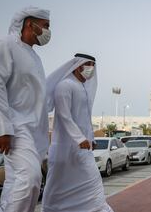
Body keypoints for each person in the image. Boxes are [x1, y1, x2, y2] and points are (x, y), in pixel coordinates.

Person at [0, 6, 51, 212]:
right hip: (15, 127)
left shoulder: (34, 57)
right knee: (29, 178)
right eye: (46, 26)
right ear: (30, 24)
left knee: (18, 182)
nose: (48, 31)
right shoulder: (3, 46)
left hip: (33, 130)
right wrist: (1, 128)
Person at [42, 54, 114, 212]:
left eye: (93, 65)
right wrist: (80, 138)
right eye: (87, 64)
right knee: (57, 186)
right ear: (77, 66)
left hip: (82, 149)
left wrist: (91, 138)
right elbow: (64, 115)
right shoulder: (65, 86)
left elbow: (84, 119)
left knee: (93, 182)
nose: (91, 68)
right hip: (64, 149)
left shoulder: (82, 89)